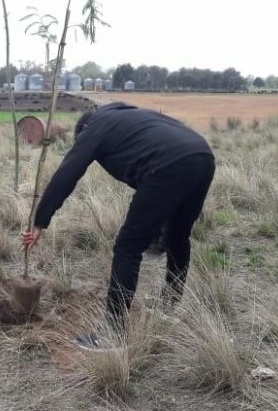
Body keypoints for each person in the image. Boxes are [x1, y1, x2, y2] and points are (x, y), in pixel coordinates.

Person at [21, 102, 215, 348]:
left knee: (127, 247)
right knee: (179, 236)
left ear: (83, 130)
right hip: (203, 156)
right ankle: (169, 306)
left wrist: (40, 220)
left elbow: (68, 172)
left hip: (167, 165)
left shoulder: (94, 127)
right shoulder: (127, 116)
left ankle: (113, 336)